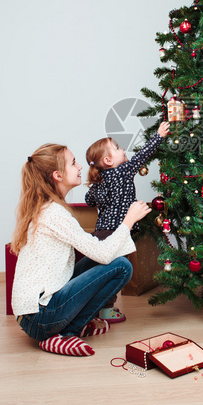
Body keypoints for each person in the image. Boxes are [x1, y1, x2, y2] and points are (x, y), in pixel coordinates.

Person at [11, 143, 151, 357]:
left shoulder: (48, 208)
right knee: (122, 266)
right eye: (73, 163)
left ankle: (67, 328)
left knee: (105, 261)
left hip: (35, 314)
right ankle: (66, 332)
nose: (80, 167)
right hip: (40, 319)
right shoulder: (54, 214)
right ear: (58, 175)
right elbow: (104, 253)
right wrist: (128, 220)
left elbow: (99, 254)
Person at [84, 122, 169, 322]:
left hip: (101, 234)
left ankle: (95, 306)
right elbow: (142, 156)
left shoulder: (100, 181)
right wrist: (158, 136)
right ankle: (105, 310)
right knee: (116, 273)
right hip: (118, 233)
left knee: (103, 272)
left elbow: (89, 200)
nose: (123, 150)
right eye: (117, 148)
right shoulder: (122, 172)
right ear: (108, 160)